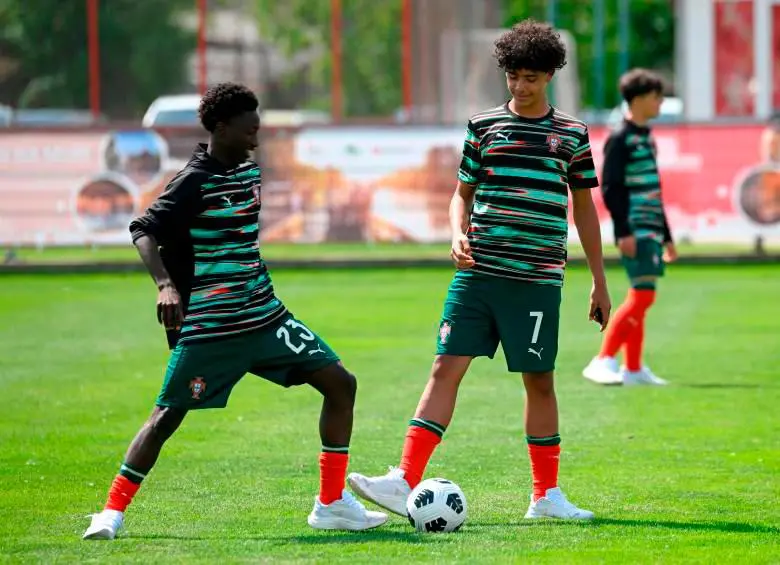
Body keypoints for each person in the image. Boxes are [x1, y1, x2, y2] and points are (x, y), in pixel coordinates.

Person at [82, 83, 387, 540]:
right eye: (249, 131)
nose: (256, 139)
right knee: (166, 417)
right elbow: (143, 229)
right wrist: (166, 286)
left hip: (265, 316)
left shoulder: (248, 172)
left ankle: (331, 504)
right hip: (214, 327)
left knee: (341, 384)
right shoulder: (193, 181)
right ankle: (110, 513)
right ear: (221, 128)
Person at [347, 20, 611, 521]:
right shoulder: (483, 126)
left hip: (536, 281)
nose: (520, 86)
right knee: (444, 367)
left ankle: (545, 497)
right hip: (478, 274)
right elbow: (461, 195)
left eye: (531, 77)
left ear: (550, 75)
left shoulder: (571, 134)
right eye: (513, 76)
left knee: (539, 382)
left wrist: (599, 280)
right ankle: (403, 479)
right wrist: (456, 233)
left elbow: (584, 209)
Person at [582, 69, 677, 386]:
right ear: (638, 99)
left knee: (641, 296)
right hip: (635, 228)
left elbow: (654, 189)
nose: (660, 102)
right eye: (656, 97)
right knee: (643, 296)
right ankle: (603, 359)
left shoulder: (645, 136)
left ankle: (633, 368)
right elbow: (611, 188)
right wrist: (623, 231)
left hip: (651, 229)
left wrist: (667, 236)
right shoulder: (621, 138)